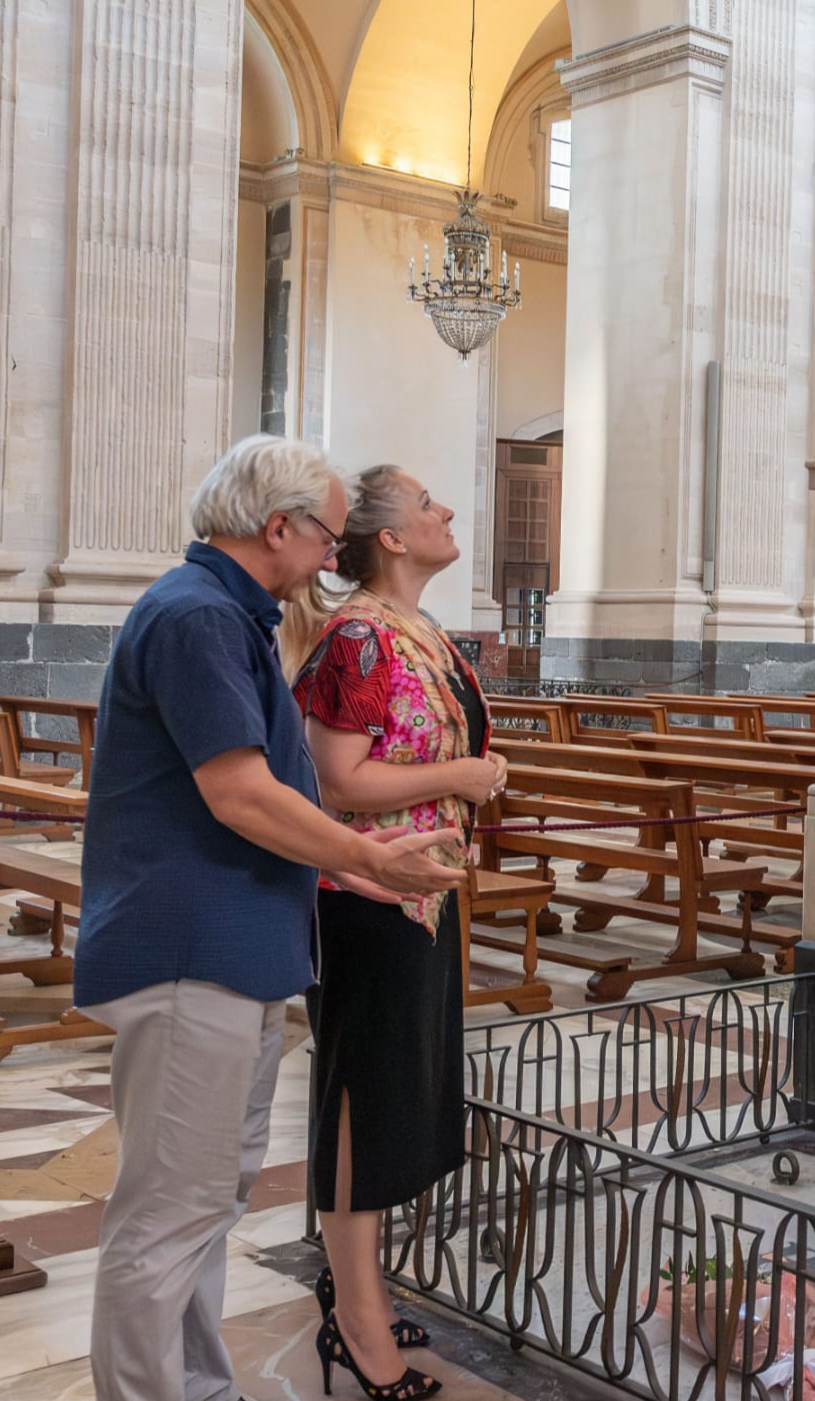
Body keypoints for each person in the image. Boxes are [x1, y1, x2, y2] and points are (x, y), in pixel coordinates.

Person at [72, 435, 468, 1401]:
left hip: (235, 950)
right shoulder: (197, 613)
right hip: (188, 952)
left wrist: (359, 873)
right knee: (166, 1217)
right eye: (330, 537)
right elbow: (240, 793)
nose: (335, 557)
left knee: (205, 1204)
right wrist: (367, 853)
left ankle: (201, 1387)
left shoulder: (233, 614)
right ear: (278, 524)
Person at [287, 465, 508, 1401]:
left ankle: (357, 1287)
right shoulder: (355, 637)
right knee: (358, 1103)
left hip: (418, 893)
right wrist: (459, 780)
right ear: (390, 538)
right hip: (364, 895)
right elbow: (339, 781)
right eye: (428, 504)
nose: (446, 511)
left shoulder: (412, 630)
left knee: (391, 1099)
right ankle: (359, 1326)